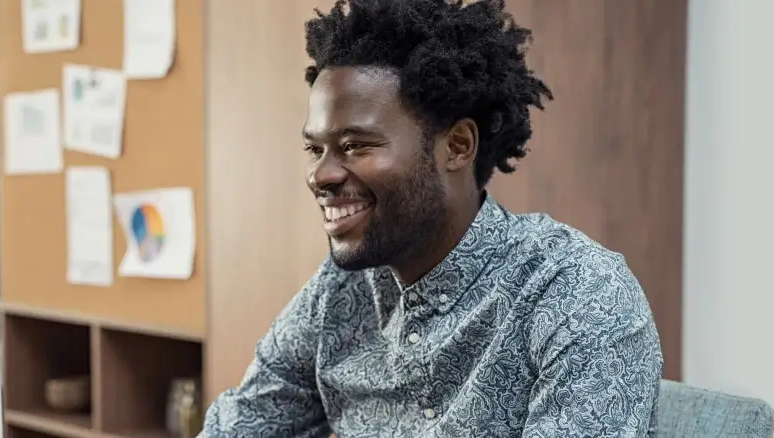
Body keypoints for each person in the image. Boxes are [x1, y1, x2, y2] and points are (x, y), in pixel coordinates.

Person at [199, 0, 664, 437]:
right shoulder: (341, 294)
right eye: (315, 149)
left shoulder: (577, 294)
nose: (320, 175)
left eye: (356, 145)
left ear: (458, 146)